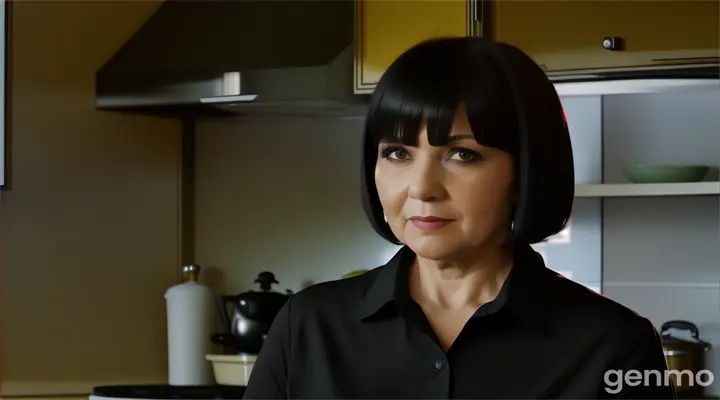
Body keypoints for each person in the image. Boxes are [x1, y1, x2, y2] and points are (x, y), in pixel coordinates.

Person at [243, 37, 676, 399]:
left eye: (461, 154)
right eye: (397, 153)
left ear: (525, 173)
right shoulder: (308, 325)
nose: (421, 187)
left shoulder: (613, 346)